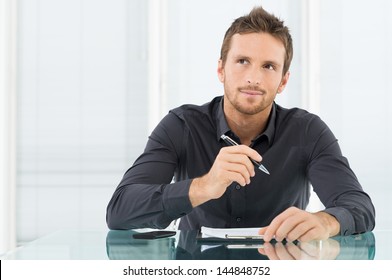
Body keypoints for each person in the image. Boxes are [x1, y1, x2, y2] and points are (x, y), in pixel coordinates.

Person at [106, 6, 375, 242]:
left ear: (283, 81)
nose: (253, 78)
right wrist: (203, 187)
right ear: (221, 69)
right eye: (242, 61)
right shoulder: (181, 125)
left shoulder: (308, 131)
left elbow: (359, 206)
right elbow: (120, 210)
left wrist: (325, 222)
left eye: (268, 66)